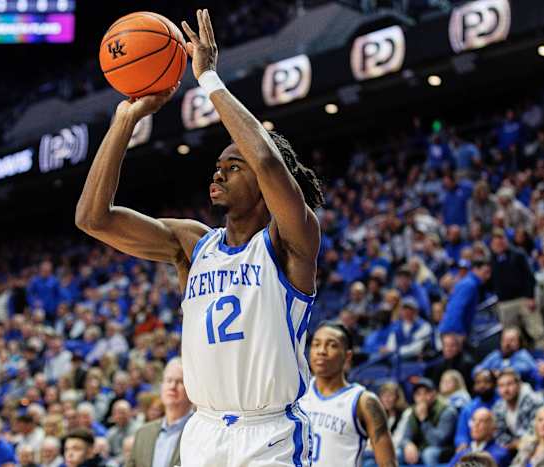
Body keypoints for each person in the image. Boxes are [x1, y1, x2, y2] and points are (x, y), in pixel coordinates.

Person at [75, 8, 323, 467]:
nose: (219, 171)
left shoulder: (291, 240)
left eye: (234, 166)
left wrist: (208, 79)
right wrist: (125, 120)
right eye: (218, 166)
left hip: (269, 434)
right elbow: (93, 218)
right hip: (203, 431)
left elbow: (269, 163)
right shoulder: (193, 244)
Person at [299, 323, 397, 466]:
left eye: (331, 345)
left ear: (348, 356)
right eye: (316, 344)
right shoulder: (296, 394)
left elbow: (388, 464)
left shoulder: (363, 401)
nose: (321, 351)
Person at [127, 358, 192, 467]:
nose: (172, 386)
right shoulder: (143, 433)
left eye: (180, 381)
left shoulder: (202, 432)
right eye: (168, 380)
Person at [489, 228, 544, 350]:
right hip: (505, 303)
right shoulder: (492, 259)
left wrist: (530, 297)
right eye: (496, 243)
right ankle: (515, 361)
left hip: (523, 299)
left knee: (537, 331)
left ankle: (543, 355)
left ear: (506, 241)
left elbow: (530, 277)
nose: (499, 245)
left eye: (501, 242)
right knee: (510, 336)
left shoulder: (518, 254)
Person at [399, 377, 458, 466]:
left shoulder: (447, 411)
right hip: (421, 448)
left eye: (426, 393)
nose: (422, 397)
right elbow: (405, 438)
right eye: (418, 394)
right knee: (398, 453)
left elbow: (437, 442)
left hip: (445, 449)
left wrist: (424, 419)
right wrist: (408, 445)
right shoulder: (414, 411)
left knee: (429, 453)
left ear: (435, 394)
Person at [492, 368, 544, 451]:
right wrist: (513, 444)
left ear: (519, 385)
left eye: (509, 384)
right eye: (501, 386)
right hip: (512, 448)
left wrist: (519, 444)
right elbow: (497, 433)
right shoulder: (498, 406)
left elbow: (537, 433)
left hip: (538, 447)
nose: (505, 390)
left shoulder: (535, 402)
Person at [439, 258, 492, 338]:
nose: (488, 276)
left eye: (489, 273)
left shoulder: (469, 283)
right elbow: (456, 308)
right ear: (475, 269)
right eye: (485, 272)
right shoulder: (469, 285)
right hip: (453, 331)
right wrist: (458, 332)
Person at [455, 369, 500, 451]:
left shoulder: (502, 404)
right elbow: (461, 434)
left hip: (496, 446)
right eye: (478, 382)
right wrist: (462, 443)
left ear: (494, 384)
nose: (482, 385)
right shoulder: (468, 408)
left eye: (486, 381)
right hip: (473, 447)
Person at [473, 327, 537, 383]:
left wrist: (501, 371)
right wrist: (488, 373)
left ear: (519, 342)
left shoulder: (522, 354)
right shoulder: (496, 355)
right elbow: (476, 370)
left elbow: (528, 368)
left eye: (512, 340)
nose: (507, 344)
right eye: (505, 340)